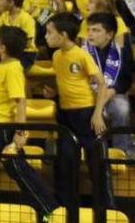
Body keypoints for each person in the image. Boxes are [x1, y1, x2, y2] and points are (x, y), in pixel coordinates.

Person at [0, 26, 58, 222]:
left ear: (3, 47)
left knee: (19, 170)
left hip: (4, 129)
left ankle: (49, 209)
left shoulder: (13, 68)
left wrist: (19, 133)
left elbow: (20, 101)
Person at [44, 13, 107, 199]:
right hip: (65, 114)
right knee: (65, 161)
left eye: (49, 32)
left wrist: (97, 114)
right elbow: (66, 81)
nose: (46, 37)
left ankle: (105, 206)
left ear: (63, 35)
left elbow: (102, 85)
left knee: (94, 161)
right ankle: (65, 205)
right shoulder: (56, 56)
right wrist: (54, 93)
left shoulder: (82, 55)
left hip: (85, 113)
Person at [82, 13, 135, 159]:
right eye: (89, 30)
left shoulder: (121, 51)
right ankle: (96, 155)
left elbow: (125, 80)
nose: (91, 34)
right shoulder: (83, 52)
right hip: (89, 95)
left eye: (96, 30)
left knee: (121, 109)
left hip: (114, 94)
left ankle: (124, 154)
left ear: (109, 34)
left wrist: (110, 92)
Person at [0, 0, 37, 70]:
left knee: (12, 68)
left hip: (25, 53)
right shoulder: (3, 17)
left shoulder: (27, 19)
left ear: (11, 2)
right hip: (6, 52)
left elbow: (28, 42)